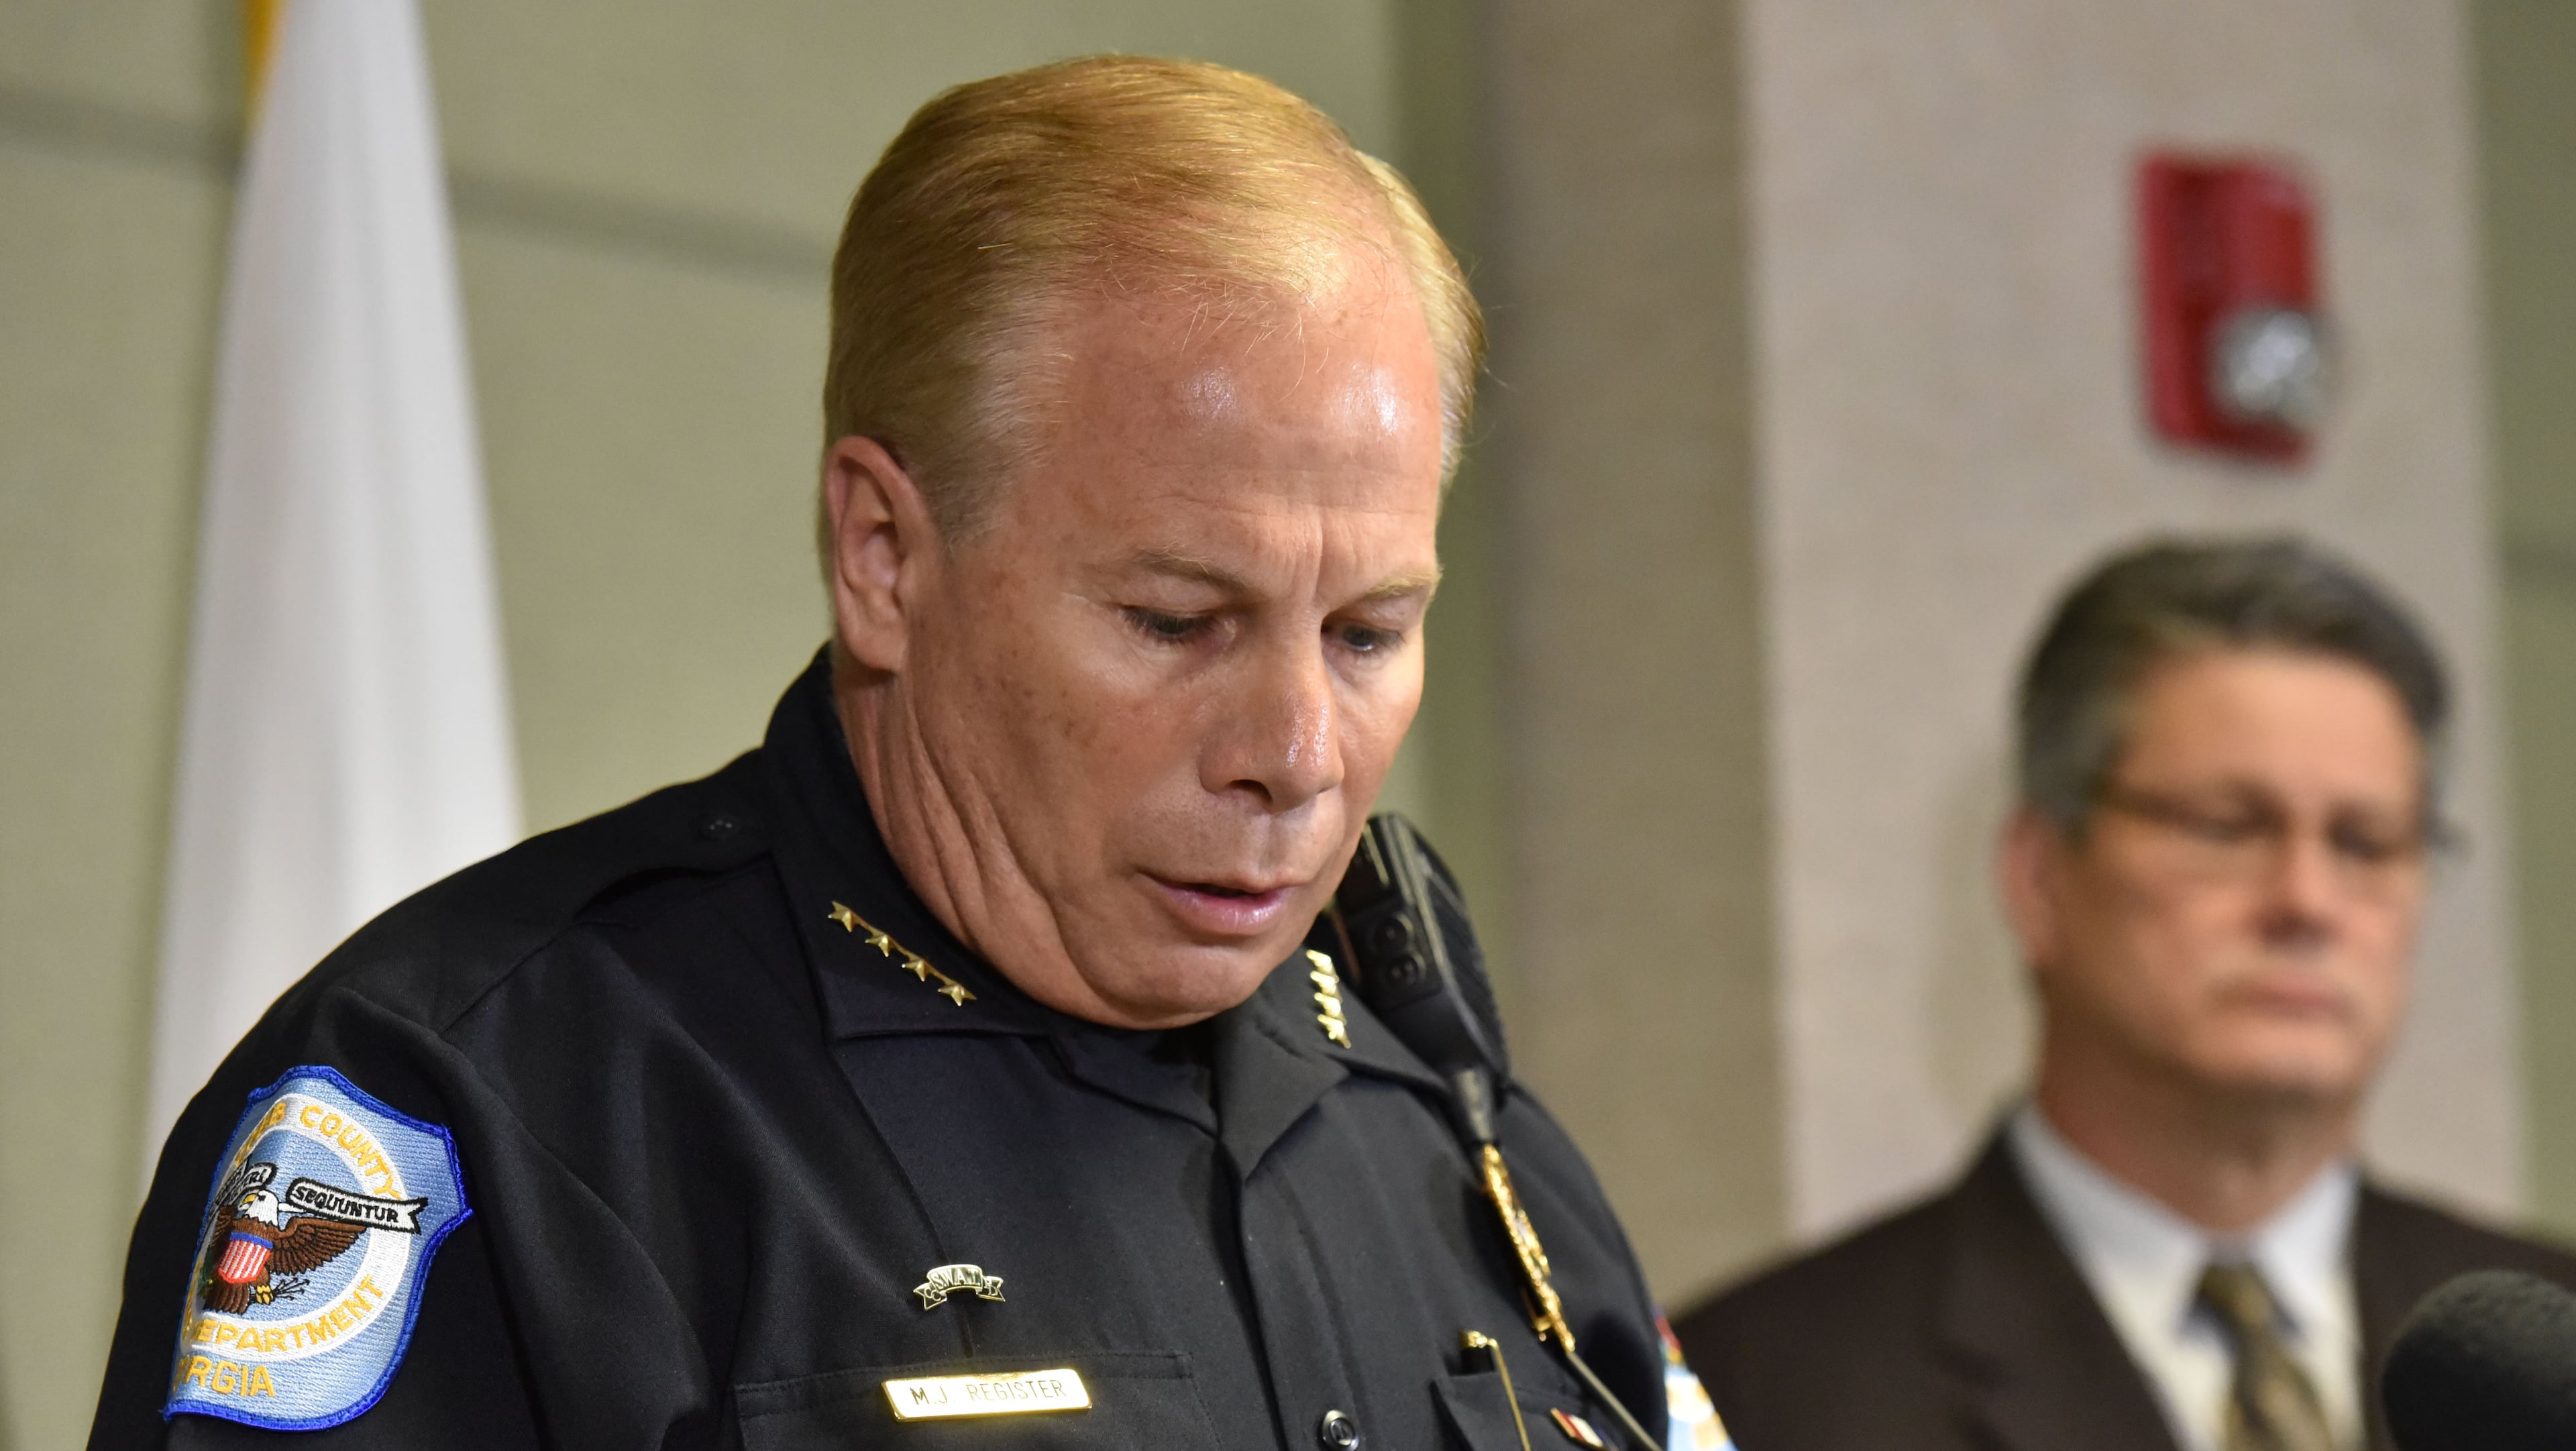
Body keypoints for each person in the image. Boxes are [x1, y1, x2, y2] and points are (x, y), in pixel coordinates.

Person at [93, 56, 1727, 1450]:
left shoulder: (1456, 1131)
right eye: (1175, 619)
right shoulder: (487, 1112)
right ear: (884, 552)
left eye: (1369, 631)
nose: (1297, 752)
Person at [1672, 537, 2576, 1451]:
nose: (2307, 901)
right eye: (2227, 827)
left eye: (2367, 841)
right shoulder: (1750, 1396)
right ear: (2039, 879)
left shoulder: (2553, 1358)